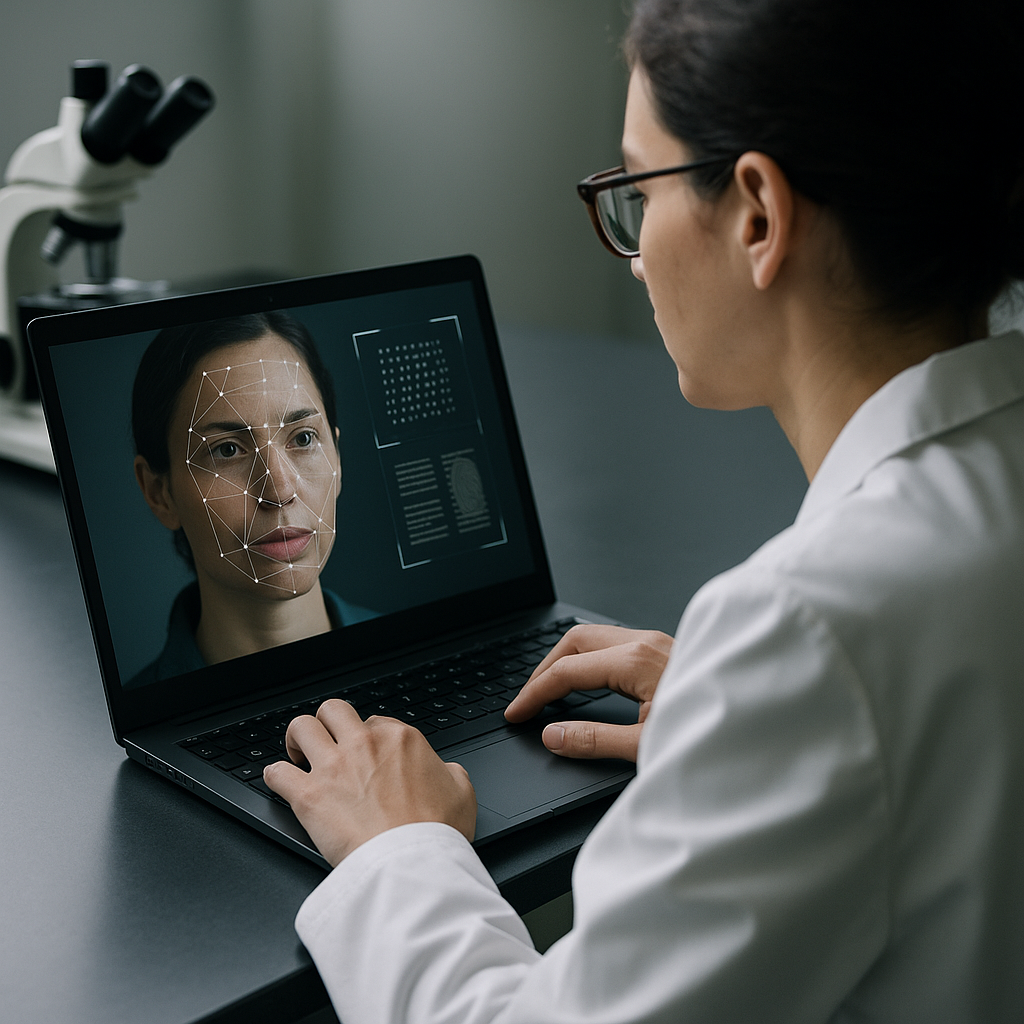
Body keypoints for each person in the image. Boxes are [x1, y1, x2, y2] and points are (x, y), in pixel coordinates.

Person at [264, 1, 1024, 1020]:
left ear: (756, 212)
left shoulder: (813, 627)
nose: (629, 247)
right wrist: (746, 729)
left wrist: (401, 849)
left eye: (634, 186)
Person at [129, 312, 375, 687]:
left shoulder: (432, 662)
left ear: (337, 458)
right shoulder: (138, 723)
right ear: (159, 494)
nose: (279, 491)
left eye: (303, 438)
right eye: (227, 450)